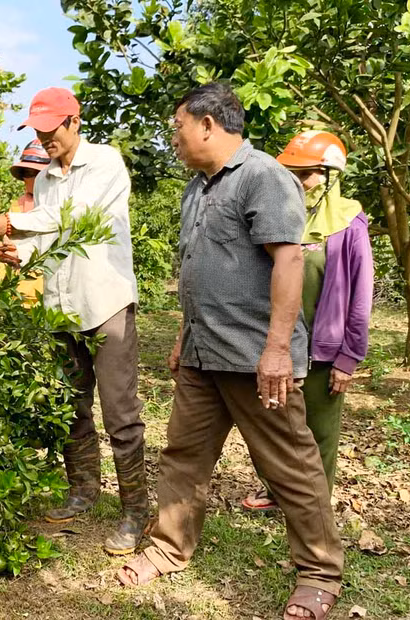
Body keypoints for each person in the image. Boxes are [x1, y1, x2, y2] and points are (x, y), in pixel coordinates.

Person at [116, 84, 343, 620]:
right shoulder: (196, 188)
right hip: (201, 353)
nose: (173, 137)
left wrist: (276, 352)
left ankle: (318, 571)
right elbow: (198, 270)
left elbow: (288, 262)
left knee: (290, 466)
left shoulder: (264, 176)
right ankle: (169, 547)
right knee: (184, 457)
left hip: (254, 358)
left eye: (177, 126)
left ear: (208, 125)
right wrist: (181, 337)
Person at [0, 87, 147, 555]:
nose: (44, 136)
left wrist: (11, 222)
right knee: (71, 406)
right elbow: (51, 238)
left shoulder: (105, 163)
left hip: (105, 302)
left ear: (74, 121)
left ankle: (134, 511)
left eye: (51, 127)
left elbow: (77, 217)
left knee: (120, 413)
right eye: (38, 129)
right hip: (61, 307)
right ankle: (83, 490)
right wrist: (20, 252)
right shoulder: (46, 178)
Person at [242, 131, 374, 512]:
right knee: (275, 425)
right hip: (279, 343)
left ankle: (314, 505)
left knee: (320, 432)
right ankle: (276, 490)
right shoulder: (280, 218)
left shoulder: (350, 223)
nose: (297, 182)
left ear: (329, 175)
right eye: (292, 174)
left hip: (323, 351)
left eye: (306, 175)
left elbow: (360, 297)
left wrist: (349, 357)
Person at [5, 139, 50, 305]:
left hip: (46, 296)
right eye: (26, 173)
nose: (28, 179)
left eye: (34, 173)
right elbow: (9, 241)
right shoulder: (17, 205)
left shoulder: (59, 205)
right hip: (16, 294)